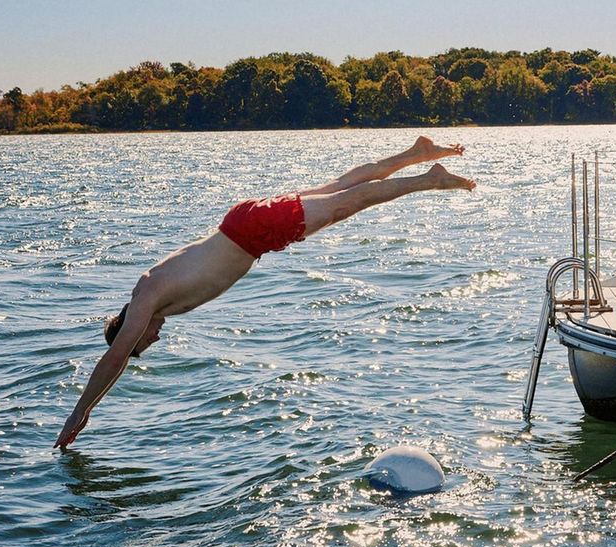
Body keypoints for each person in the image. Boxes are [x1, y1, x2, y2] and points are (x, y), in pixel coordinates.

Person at [54, 136, 476, 449]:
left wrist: (81, 411)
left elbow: (114, 358)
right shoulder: (156, 299)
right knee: (339, 188)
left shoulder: (144, 299)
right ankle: (416, 153)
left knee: (347, 203)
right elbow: (122, 354)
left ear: (130, 329)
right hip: (247, 226)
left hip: (253, 232)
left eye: (144, 342)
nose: (154, 339)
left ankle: (429, 179)